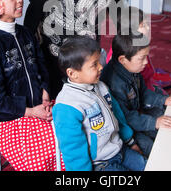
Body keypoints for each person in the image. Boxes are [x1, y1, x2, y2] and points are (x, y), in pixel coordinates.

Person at [0, 0, 64, 171]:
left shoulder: (25, 33)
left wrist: (45, 93)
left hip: (39, 107)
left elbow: (41, 65)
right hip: (13, 121)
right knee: (50, 150)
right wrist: (31, 112)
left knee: (75, 129)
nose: (20, 0)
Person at [52, 35, 146, 171]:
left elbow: (118, 115)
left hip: (119, 149)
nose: (101, 67)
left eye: (99, 61)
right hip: (100, 164)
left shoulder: (100, 86)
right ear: (73, 73)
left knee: (149, 164)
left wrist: (130, 141)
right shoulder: (67, 106)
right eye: (94, 64)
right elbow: (73, 148)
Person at [100, 33, 171, 158]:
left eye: (146, 57)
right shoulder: (114, 83)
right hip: (125, 129)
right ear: (122, 60)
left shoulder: (133, 69)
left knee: (168, 119)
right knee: (150, 146)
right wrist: (154, 122)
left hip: (137, 114)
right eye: (141, 58)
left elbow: (143, 92)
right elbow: (125, 118)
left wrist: (163, 100)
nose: (145, 62)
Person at [105, 6, 171, 95]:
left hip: (145, 85)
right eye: (143, 25)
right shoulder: (124, 54)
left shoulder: (137, 46)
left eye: (147, 24)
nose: (149, 28)